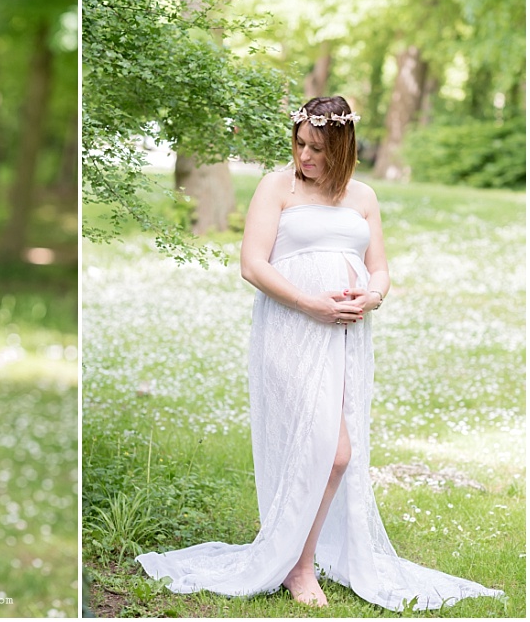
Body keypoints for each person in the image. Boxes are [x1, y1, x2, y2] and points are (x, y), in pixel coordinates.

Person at [136, 96, 504, 611]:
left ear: (344, 148)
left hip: (345, 337)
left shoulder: (364, 198)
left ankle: (296, 556)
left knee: (330, 451)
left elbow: (379, 268)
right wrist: (311, 302)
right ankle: (298, 566)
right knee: (331, 452)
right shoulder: (276, 186)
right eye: (301, 143)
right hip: (290, 329)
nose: (305, 156)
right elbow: (252, 265)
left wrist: (370, 296)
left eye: (317, 148)